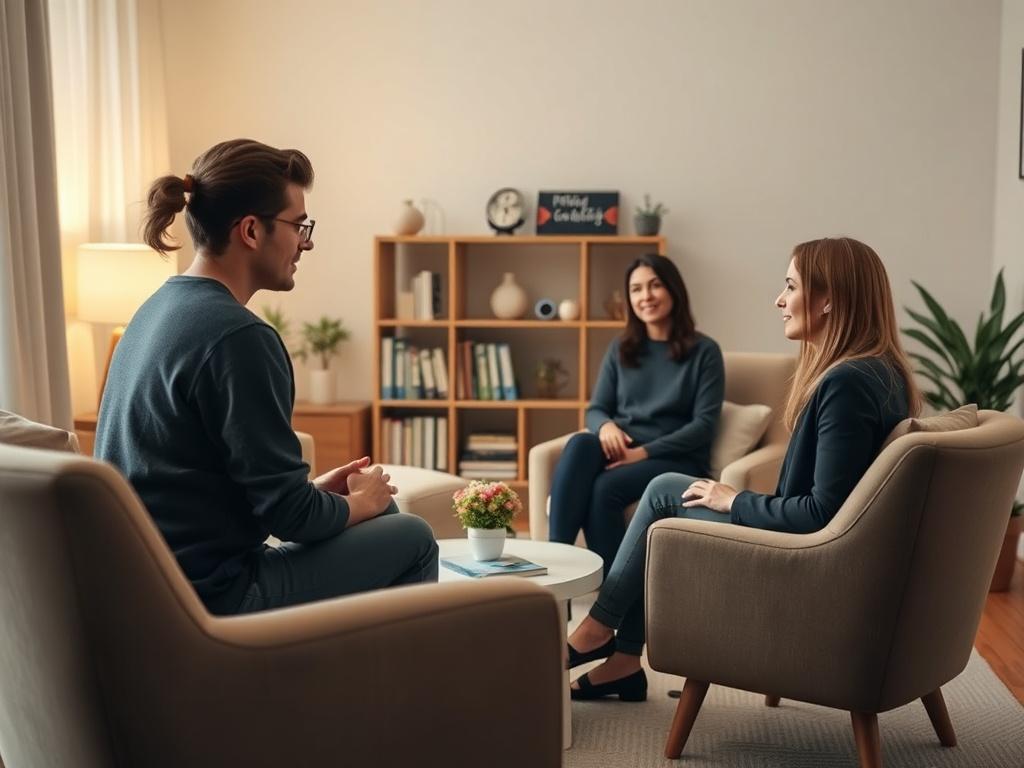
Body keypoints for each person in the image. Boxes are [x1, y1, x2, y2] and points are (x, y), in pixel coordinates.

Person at [565, 236, 921, 702]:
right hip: (829, 554)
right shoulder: (883, 372)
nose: (779, 299)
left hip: (799, 559)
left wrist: (735, 499)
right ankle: (617, 649)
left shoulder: (846, 384)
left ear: (829, 298)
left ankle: (595, 631)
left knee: (663, 490)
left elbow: (821, 513)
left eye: (790, 286)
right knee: (611, 463)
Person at [95, 139, 438, 616]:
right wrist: (359, 503)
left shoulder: (154, 311)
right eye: (299, 225)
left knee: (382, 516)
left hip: (151, 589)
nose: (307, 241)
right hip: (214, 598)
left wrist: (319, 495)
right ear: (252, 230)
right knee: (412, 537)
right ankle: (398, 689)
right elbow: (290, 518)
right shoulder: (238, 337)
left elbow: (219, 490)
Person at [548, 254, 724, 575]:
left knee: (605, 488)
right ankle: (557, 567)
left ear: (673, 290)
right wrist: (605, 427)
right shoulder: (621, 348)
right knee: (580, 445)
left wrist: (641, 453)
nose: (646, 296)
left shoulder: (705, 352)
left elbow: (703, 426)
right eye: (636, 289)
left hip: (675, 457)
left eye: (655, 285)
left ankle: (614, 603)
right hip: (624, 450)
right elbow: (596, 408)